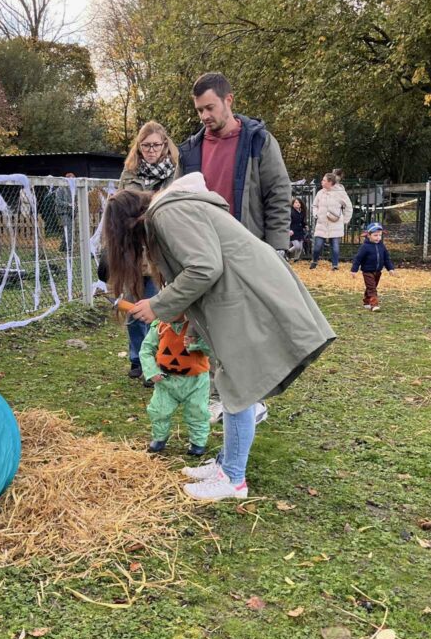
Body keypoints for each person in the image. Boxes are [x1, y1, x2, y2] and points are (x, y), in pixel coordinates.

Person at [102, 175, 336, 502]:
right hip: (238, 291)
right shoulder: (168, 213)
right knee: (232, 381)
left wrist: (158, 306)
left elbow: (204, 267)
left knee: (239, 387)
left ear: (126, 225)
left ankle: (234, 480)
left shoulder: (166, 214)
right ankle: (226, 464)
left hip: (245, 291)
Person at [179, 72, 291, 424]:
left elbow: (278, 195)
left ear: (229, 100)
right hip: (205, 253)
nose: (204, 117)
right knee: (213, 328)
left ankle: (249, 399)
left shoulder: (258, 141)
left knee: (246, 329)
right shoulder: (191, 149)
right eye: (199, 110)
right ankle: (225, 397)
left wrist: (276, 250)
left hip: (247, 250)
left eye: (209, 107)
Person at [119, 121, 179, 382]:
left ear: (165, 145)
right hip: (133, 249)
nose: (151, 150)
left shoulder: (176, 173)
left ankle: (156, 360)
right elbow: (120, 210)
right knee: (134, 307)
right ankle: (138, 360)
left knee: (157, 307)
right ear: (139, 148)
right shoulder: (129, 174)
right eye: (146, 146)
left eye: (155, 145)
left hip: (163, 247)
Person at [139, 315, 210, 456]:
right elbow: (146, 349)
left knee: (198, 411)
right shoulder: (160, 326)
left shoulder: (199, 325)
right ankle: (159, 437)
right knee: (159, 410)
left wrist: (197, 344)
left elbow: (214, 349)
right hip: (166, 380)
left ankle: (198, 442)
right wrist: (151, 370)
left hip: (195, 381)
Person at [310, 173, 352, 269]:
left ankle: (335, 265)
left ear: (330, 182)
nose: (322, 182)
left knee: (335, 247)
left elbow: (348, 206)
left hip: (335, 223)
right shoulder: (320, 193)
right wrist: (316, 214)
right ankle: (314, 261)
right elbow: (314, 205)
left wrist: (345, 220)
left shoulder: (340, 193)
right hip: (322, 223)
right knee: (317, 246)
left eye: (324, 180)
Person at [350, 221, 395, 311]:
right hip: (367, 271)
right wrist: (354, 270)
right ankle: (374, 304)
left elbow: (386, 258)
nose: (378, 237)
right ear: (368, 235)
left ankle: (367, 301)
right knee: (372, 288)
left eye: (380, 235)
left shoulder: (381, 246)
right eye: (375, 235)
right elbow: (358, 259)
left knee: (371, 287)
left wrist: (390, 268)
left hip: (378, 271)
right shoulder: (365, 247)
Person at [54, 172, 75, 252]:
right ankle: (69, 248)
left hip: (71, 212)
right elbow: (58, 201)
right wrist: (68, 204)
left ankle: (62, 248)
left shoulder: (71, 189)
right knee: (68, 229)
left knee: (67, 230)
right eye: (71, 179)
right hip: (63, 212)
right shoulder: (60, 189)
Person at [289, 196, 307, 261]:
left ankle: (296, 259)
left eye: (299, 202)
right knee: (297, 246)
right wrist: (289, 230)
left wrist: (305, 226)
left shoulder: (302, 212)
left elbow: (302, 222)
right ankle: (287, 252)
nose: (298, 203)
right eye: (296, 202)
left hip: (300, 231)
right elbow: (288, 222)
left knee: (300, 248)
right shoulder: (291, 212)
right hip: (293, 231)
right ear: (293, 204)